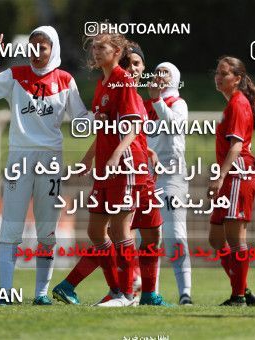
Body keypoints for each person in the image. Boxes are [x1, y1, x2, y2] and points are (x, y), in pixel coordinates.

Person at [0, 26, 90, 305]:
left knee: (47, 229)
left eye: (42, 47)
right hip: (19, 157)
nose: (36, 52)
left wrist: (103, 113)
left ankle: (40, 294)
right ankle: (4, 293)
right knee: (11, 227)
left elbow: (81, 120)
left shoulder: (65, 80)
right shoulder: (14, 75)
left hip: (50, 161)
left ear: (54, 49)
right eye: (32, 47)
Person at [52, 41, 171, 306]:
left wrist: (133, 153)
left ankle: (134, 292)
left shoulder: (129, 87)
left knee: (144, 231)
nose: (134, 68)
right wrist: (89, 159)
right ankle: (121, 288)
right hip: (116, 166)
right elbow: (109, 129)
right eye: (132, 63)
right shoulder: (108, 85)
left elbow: (133, 130)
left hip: (132, 168)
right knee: (101, 230)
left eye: (138, 63)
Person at [208, 56, 255, 306]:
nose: (218, 77)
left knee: (235, 238)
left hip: (239, 174)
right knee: (216, 239)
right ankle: (242, 288)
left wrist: (219, 176)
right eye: (217, 72)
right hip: (231, 175)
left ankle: (238, 296)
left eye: (224, 74)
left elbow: (237, 146)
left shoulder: (238, 104)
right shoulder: (232, 103)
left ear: (237, 79)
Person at [145, 62, 193, 305]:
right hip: (147, 175)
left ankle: (185, 292)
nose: (159, 76)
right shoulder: (146, 105)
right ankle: (149, 291)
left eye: (165, 73)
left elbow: (174, 125)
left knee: (175, 234)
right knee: (149, 236)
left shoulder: (179, 104)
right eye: (157, 72)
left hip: (172, 175)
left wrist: (157, 102)